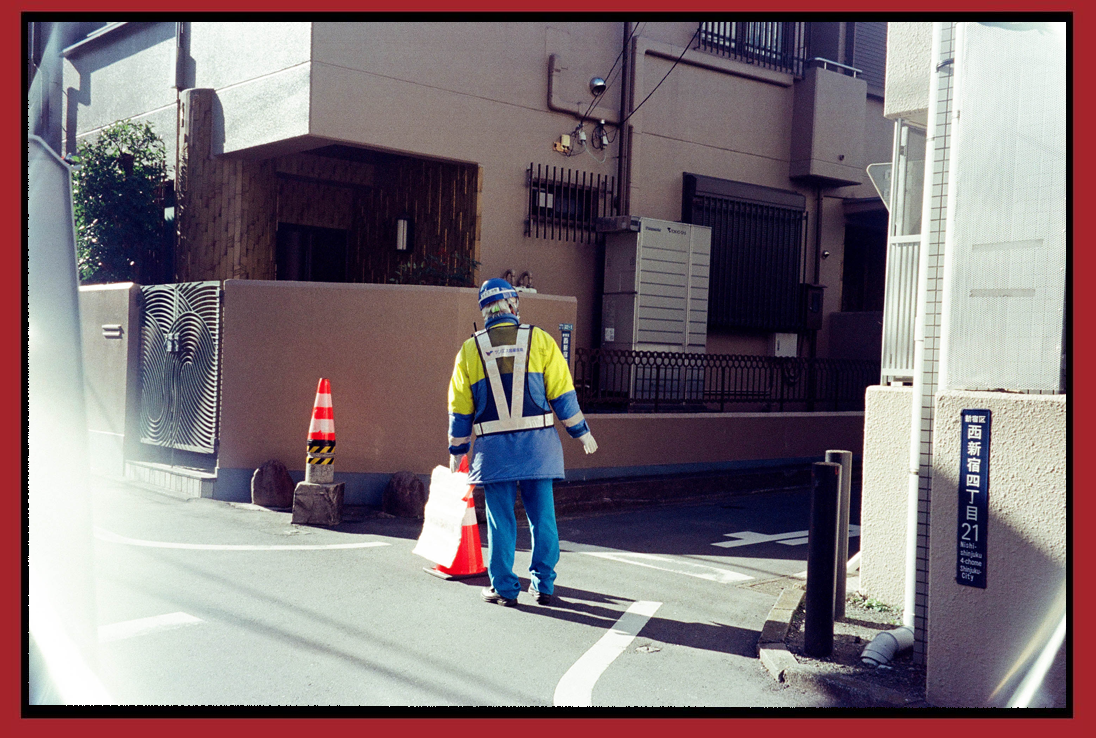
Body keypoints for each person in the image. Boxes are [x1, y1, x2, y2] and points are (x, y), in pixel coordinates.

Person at [447, 278, 597, 607]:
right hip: (538, 449)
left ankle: (503, 588)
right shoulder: (540, 340)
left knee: (501, 520)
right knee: (542, 517)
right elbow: (563, 395)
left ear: (485, 310)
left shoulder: (470, 350)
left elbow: (460, 409)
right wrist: (581, 432)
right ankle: (544, 585)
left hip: (494, 453)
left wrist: (457, 451)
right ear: (513, 305)